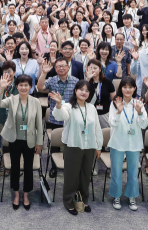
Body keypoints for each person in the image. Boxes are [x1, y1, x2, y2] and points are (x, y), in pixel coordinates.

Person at [49, 80, 103, 215]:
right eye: (81, 89)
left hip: (89, 145)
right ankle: (68, 202)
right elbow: (60, 115)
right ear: (75, 90)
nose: (84, 92)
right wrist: (59, 104)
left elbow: (97, 128)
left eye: (87, 90)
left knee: (85, 175)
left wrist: (98, 146)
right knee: (71, 176)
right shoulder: (68, 106)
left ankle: (83, 200)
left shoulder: (91, 108)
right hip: (73, 145)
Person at [0, 73, 43, 210]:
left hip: (30, 140)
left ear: (30, 86)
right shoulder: (12, 99)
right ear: (17, 86)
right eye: (20, 85)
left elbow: (39, 123)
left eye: (26, 85)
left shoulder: (36, 102)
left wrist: (39, 142)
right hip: (14, 139)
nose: (23, 87)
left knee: (28, 168)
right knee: (14, 167)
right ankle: (16, 193)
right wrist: (1, 89)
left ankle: (26, 194)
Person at [108, 77, 148, 211]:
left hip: (134, 142)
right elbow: (112, 123)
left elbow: (145, 124)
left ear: (134, 88)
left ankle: (131, 196)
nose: (127, 89)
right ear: (121, 88)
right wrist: (119, 112)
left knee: (133, 172)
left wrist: (140, 112)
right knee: (116, 172)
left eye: (130, 87)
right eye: (125, 87)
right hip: (118, 141)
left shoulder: (138, 103)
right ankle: (116, 196)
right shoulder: (115, 103)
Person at [37, 57, 79, 129]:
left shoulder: (75, 81)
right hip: (55, 118)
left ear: (68, 67)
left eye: (63, 66)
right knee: (57, 138)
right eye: (59, 66)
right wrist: (44, 73)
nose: (61, 68)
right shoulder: (51, 80)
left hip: (71, 117)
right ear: (55, 69)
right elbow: (40, 87)